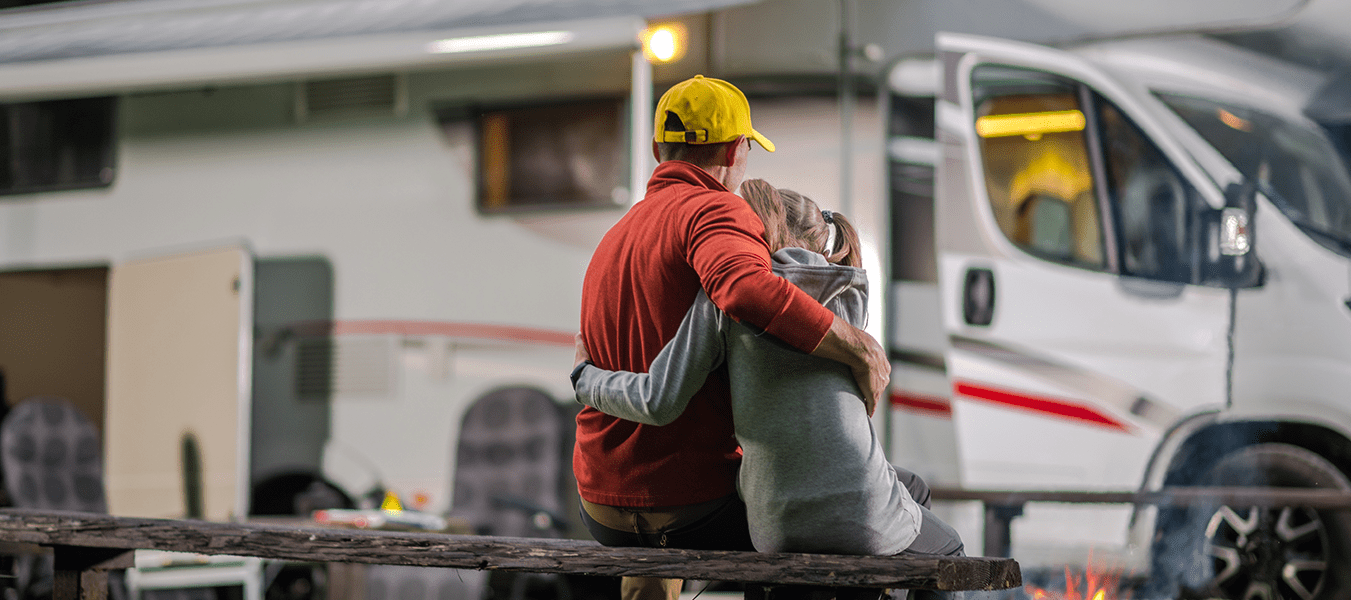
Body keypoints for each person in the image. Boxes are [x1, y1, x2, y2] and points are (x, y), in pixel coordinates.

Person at [574, 75, 890, 600]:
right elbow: (744, 288)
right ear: (734, 148)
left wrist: (585, 380)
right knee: (821, 530)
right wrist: (857, 346)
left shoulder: (616, 235)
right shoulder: (715, 208)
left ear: (658, 149)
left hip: (601, 506)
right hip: (686, 506)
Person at [573, 180, 965, 564]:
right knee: (946, 548)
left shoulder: (721, 299)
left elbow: (658, 399)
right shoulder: (851, 291)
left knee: (896, 495)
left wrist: (585, 376)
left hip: (771, 523)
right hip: (860, 513)